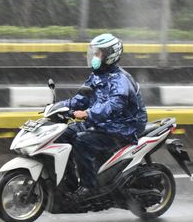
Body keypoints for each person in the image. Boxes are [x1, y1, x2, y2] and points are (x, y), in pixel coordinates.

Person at [57, 33, 148, 199]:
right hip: (102, 123)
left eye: (98, 53)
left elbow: (113, 106)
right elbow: (81, 98)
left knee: (81, 141)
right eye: (94, 53)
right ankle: (69, 184)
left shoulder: (121, 80)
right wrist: (59, 107)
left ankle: (88, 188)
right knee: (63, 134)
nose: (94, 57)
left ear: (109, 55)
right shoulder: (97, 76)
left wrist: (88, 113)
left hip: (122, 127)